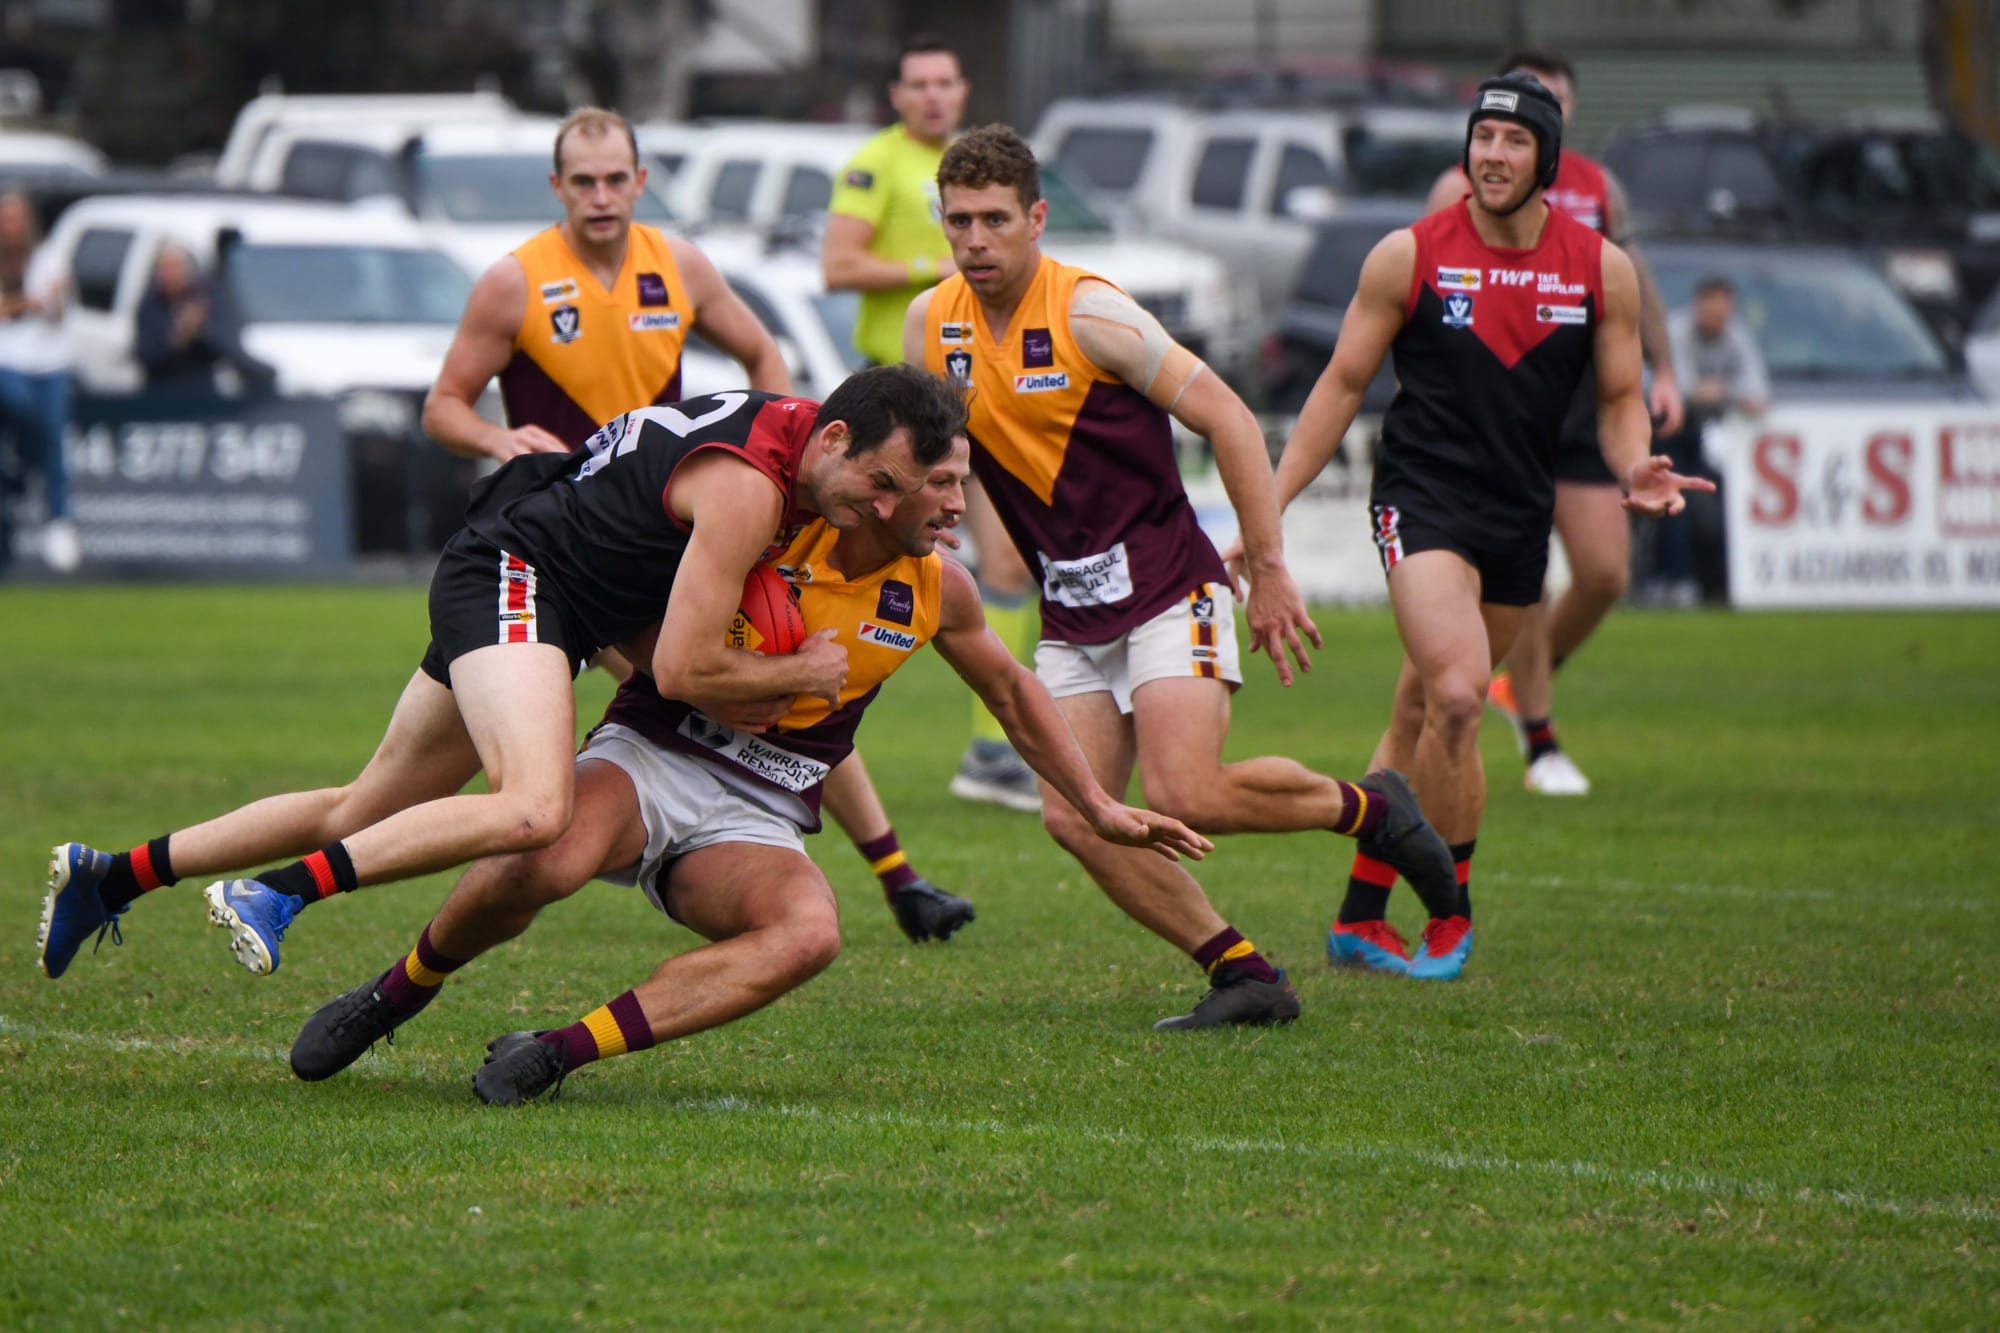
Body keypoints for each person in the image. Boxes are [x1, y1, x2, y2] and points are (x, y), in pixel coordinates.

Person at [284, 440, 1211, 1103]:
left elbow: (1012, 692)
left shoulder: (939, 589)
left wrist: (1097, 804)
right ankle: (398, 990)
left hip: (762, 811)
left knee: (809, 932)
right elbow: (618, 598)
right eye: (942, 485)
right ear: (883, 489)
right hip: (654, 754)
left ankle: (558, 1052)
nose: (959, 506)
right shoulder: (768, 532)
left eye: (962, 483)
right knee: (544, 860)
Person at [38, 367, 966, 982]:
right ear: (835, 436)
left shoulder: (791, 442)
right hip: (519, 581)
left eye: (899, 495)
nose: (877, 510)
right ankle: (279, 891)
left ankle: (111, 876)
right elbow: (681, 669)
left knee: (360, 806)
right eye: (878, 484)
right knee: (532, 808)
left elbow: (646, 596)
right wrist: (792, 670)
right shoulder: (752, 486)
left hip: (544, 590)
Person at [907, 125, 1463, 1027]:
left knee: (1184, 792)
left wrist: (1269, 565)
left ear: (1037, 218)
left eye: (994, 219)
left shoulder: (1093, 312)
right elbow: (946, 454)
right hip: (1072, 609)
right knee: (1075, 814)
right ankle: (1243, 973)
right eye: (958, 220)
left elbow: (1233, 419)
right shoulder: (931, 324)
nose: (974, 240)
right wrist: (929, 526)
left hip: (1169, 585)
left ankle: (1369, 809)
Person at [421, 104, 966, 941]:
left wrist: (790, 459)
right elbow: (443, 407)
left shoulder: (676, 262)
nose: (601, 197)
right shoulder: (516, 280)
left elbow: (761, 355)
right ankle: (587, 839)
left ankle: (897, 876)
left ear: (640, 182)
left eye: (615, 179)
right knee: (736, 683)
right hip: (578, 540)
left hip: (685, 519)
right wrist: (498, 435)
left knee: (788, 673)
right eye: (583, 181)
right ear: (557, 186)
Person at [1273, 75, 1714, 979]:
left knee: (1418, 711)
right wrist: (1266, 506)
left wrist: (1635, 465)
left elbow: (1622, 399)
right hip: (1421, 500)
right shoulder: (1409, 255)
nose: (1492, 156)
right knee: (1462, 696)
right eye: (1482, 139)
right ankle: (1450, 910)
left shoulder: (1600, 267)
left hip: (1520, 513)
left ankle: (1360, 916)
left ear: (1546, 160)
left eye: (1514, 143)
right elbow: (1341, 388)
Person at [1423, 48, 1686, 797]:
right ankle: (1540, 737)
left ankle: (1516, 690)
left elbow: (1632, 281)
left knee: (1605, 572)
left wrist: (1662, 371)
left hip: (1579, 409)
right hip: (1491, 420)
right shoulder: (1455, 193)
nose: (1501, 148)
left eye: (1554, 99)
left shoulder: (1600, 192)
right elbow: (1424, 290)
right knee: (1522, 581)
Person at [823, 35, 1042, 814]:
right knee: (859, 569)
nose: (933, 97)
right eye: (917, 85)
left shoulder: (976, 170)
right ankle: (797, 711)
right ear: (896, 95)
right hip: (895, 418)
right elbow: (837, 266)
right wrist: (935, 270)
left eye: (945, 83)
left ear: (963, 88)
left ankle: (993, 750)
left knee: (1009, 568)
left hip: (977, 407)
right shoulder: (875, 165)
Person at [1645, 274, 1768, 606]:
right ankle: (1674, 579)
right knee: (1674, 502)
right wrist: (1724, 392)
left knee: (1726, 501)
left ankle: (1721, 580)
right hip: (1666, 430)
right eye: (1710, 305)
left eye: (1723, 307)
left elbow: (1758, 394)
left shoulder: (1736, 336)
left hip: (1713, 434)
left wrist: (1718, 391)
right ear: (1697, 304)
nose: (1717, 314)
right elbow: (1678, 392)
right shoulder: (1675, 332)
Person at [0, 188, 77, 573]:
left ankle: (59, 521)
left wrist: (46, 302)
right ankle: (16, 477)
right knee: (18, 405)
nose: (10, 225)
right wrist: (26, 303)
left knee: (52, 440)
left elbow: (55, 309)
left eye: (16, 217)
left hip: (49, 363)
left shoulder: (48, 257)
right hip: (7, 362)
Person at [134, 242, 276, 395]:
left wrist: (201, 330)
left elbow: (225, 348)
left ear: (188, 270)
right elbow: (146, 356)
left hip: (202, 391)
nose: (169, 274)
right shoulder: (149, 306)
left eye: (175, 267)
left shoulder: (205, 300)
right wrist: (179, 335)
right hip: (160, 391)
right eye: (163, 268)